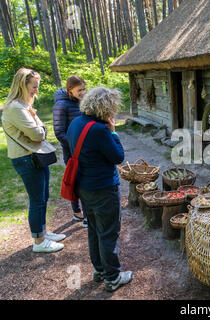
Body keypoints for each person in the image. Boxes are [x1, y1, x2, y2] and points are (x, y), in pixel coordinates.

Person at [66, 86, 132, 292]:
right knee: (109, 232)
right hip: (103, 188)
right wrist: (113, 132)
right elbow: (118, 157)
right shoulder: (100, 129)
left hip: (84, 187)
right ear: (106, 108)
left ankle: (100, 270)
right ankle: (113, 277)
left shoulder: (77, 122)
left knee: (94, 229)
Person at [1, 68, 66, 253]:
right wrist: (40, 127)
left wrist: (39, 126)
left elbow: (40, 129)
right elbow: (39, 134)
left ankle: (42, 232)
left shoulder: (23, 105)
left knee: (43, 198)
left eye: (37, 87)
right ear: (22, 85)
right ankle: (39, 242)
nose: (36, 91)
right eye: (33, 87)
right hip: (26, 159)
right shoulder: (16, 107)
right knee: (37, 200)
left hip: (34, 157)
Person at [53, 75, 87, 227]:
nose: (83, 92)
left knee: (85, 181)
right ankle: (78, 212)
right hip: (71, 151)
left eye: (84, 89)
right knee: (74, 180)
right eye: (79, 90)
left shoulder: (80, 102)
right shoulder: (61, 105)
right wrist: (75, 145)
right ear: (69, 90)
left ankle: (87, 215)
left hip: (84, 149)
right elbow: (59, 132)